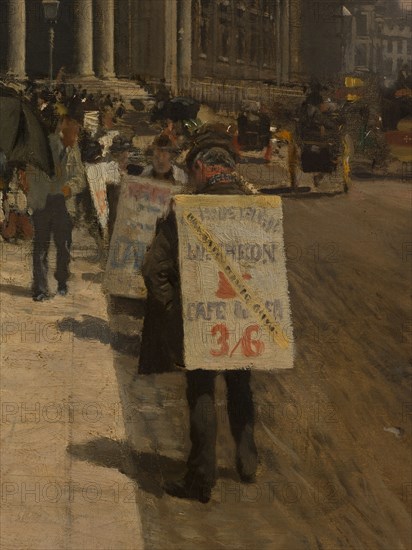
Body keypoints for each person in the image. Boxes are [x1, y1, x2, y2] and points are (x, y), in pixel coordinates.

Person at [139, 127, 257, 503]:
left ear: (203, 168)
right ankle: (247, 460)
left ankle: (201, 480)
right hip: (243, 317)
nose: (189, 177)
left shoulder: (187, 210)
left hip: (201, 318)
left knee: (202, 389)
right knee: (240, 384)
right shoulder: (257, 209)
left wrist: (174, 311)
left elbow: (153, 270)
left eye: (191, 171)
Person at [28, 115, 86, 301]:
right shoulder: (45, 146)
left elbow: (80, 178)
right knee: (41, 246)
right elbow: (33, 172)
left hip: (64, 204)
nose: (76, 138)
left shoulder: (74, 150)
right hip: (44, 203)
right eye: (74, 134)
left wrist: (69, 188)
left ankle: (61, 279)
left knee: (64, 247)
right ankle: (40, 289)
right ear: (64, 133)